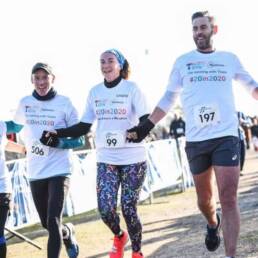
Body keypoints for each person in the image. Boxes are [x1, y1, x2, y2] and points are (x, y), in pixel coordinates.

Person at [126, 11, 258, 258]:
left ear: (213, 30)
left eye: (203, 27)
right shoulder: (182, 62)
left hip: (226, 136)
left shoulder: (229, 59)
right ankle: (211, 223)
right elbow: (168, 97)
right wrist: (147, 125)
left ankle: (230, 255)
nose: (198, 32)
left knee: (228, 198)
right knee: (204, 200)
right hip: (197, 140)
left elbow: (252, 86)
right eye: (195, 28)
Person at [40, 49, 150, 258]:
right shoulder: (95, 92)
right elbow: (83, 126)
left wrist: (138, 131)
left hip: (133, 158)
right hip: (106, 158)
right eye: (102, 62)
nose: (106, 65)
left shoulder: (131, 88)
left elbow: (146, 119)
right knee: (106, 209)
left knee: (128, 208)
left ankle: (137, 251)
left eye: (110, 61)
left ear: (120, 64)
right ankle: (119, 236)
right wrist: (58, 132)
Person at [6, 63, 84, 258]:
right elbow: (14, 127)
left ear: (53, 78)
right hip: (35, 171)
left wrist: (58, 142)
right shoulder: (25, 103)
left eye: (45, 77)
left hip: (60, 170)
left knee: (52, 220)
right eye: (37, 78)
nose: (41, 82)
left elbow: (79, 138)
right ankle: (67, 233)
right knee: (46, 223)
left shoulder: (64, 103)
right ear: (32, 80)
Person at [0, 121, 26, 258]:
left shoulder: (1, 125)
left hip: (2, 189)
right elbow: (5, 143)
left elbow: (17, 125)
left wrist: (25, 149)